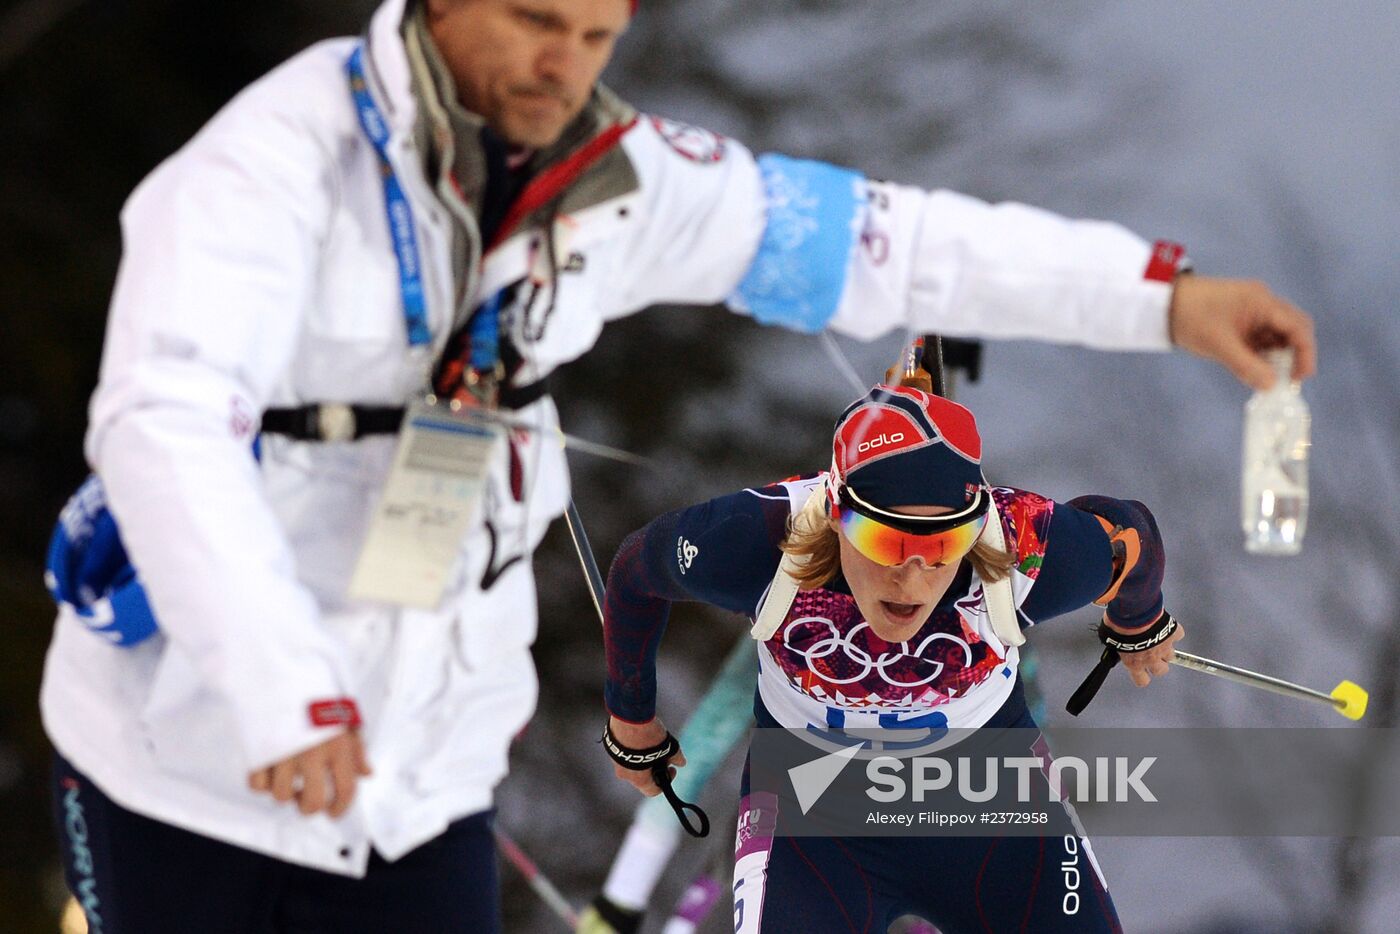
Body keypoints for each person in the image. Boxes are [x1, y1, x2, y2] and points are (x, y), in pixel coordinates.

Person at [41, 0, 1310, 930]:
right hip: (199, 759)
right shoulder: (265, 171)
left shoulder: (619, 180)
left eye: (596, 36)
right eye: (536, 24)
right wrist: (279, 686)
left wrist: (1162, 301)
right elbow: (164, 422)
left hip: (419, 779)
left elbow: (887, 243)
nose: (564, 68)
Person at [600, 381, 1182, 932]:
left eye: (943, 545)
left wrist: (1138, 618)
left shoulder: (1022, 543)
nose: (912, 578)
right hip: (813, 819)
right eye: (886, 541)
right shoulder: (759, 538)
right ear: (835, 512)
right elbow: (635, 571)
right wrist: (630, 719)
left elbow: (1131, 537)